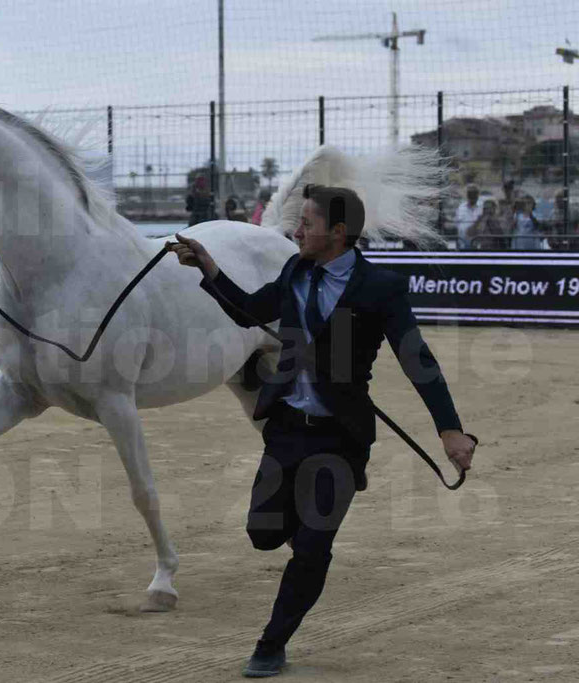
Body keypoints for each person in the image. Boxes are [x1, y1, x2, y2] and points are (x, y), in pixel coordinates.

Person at [169, 184, 475, 678]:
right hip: (287, 429)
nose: (296, 231)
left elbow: (418, 361)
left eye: (306, 224)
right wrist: (208, 266)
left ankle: (272, 643)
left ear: (337, 233)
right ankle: (310, 541)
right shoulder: (294, 269)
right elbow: (249, 307)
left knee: (313, 547)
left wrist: (450, 431)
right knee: (263, 534)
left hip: (340, 437)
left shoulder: (381, 288)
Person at [453, 184, 483, 250]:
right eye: (470, 193)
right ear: (467, 195)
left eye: (474, 193)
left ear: (477, 194)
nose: (472, 195)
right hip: (462, 245)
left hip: (478, 246)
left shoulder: (482, 208)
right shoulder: (461, 208)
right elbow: (456, 225)